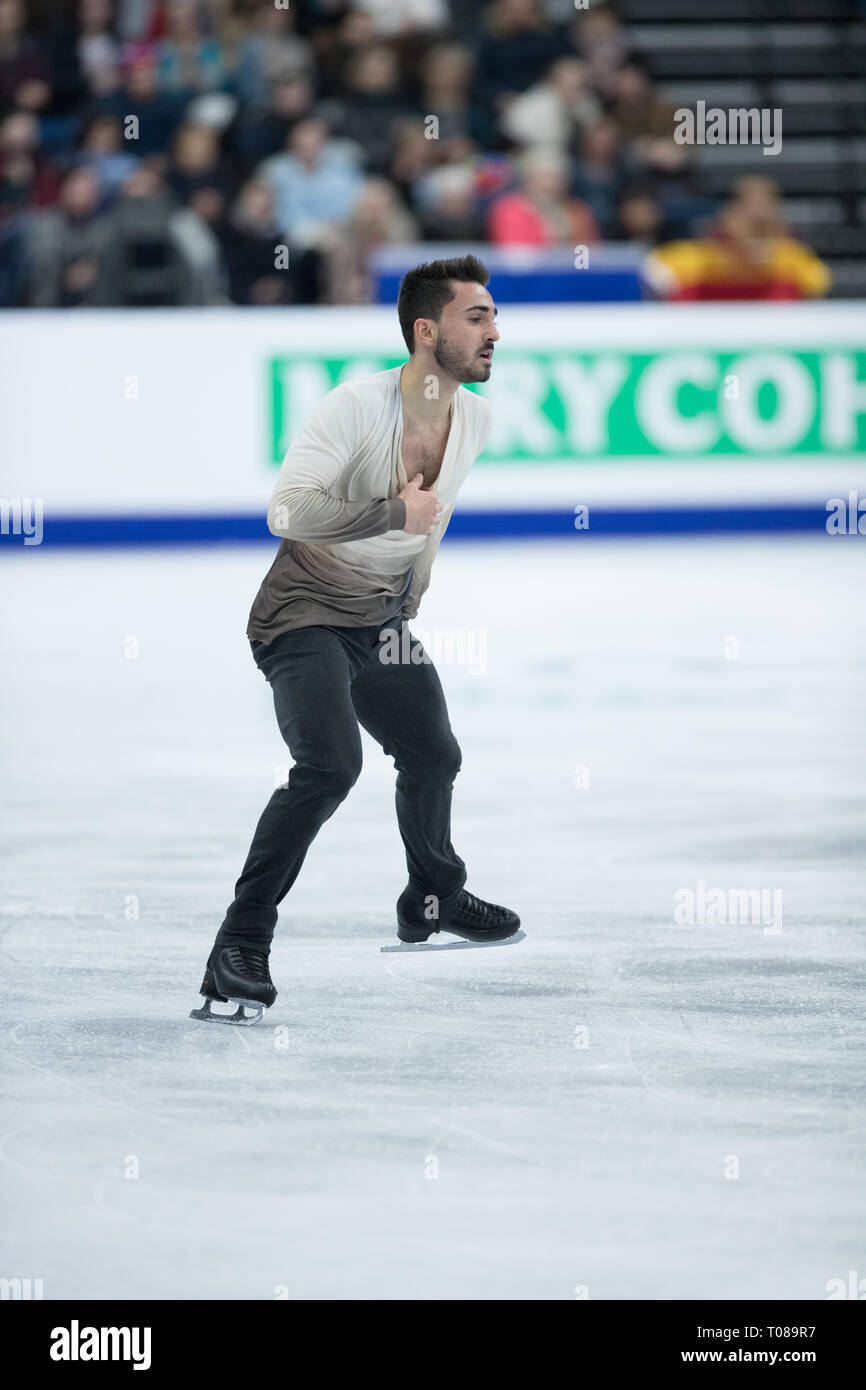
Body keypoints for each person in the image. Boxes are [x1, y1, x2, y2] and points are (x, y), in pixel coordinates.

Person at [190, 253, 521, 1025]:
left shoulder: (473, 416)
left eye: (495, 317)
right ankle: (238, 945)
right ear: (425, 330)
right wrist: (384, 512)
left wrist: (407, 599)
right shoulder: (353, 407)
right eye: (479, 317)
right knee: (329, 766)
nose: (496, 333)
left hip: (380, 623)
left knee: (435, 753)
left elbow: (430, 525)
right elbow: (287, 511)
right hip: (301, 615)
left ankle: (430, 897)